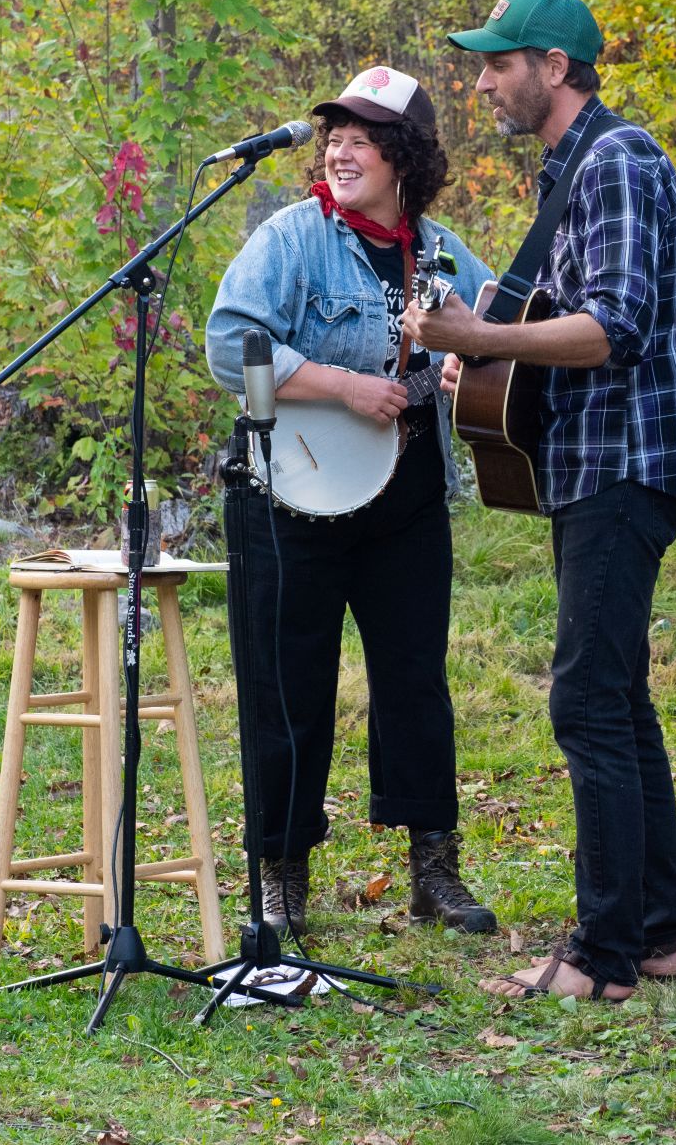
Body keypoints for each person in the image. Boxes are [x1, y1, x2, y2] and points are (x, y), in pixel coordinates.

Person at [405, 0, 676, 999]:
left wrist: (485, 339)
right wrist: (488, 366)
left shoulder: (618, 159)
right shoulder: (576, 166)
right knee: (617, 700)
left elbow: (613, 326)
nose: (484, 80)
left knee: (585, 701)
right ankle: (657, 934)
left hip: (629, 460)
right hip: (593, 460)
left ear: (552, 63)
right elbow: (561, 321)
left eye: (498, 63)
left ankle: (601, 958)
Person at [205, 65, 497, 939]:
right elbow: (230, 343)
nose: (337, 150)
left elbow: (494, 331)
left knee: (414, 681)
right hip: (284, 496)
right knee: (286, 685)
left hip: (403, 498)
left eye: (360, 139)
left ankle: (433, 869)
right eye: (332, 137)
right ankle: (280, 875)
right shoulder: (292, 239)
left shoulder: (442, 253)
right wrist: (339, 385)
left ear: (403, 157)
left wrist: (466, 362)